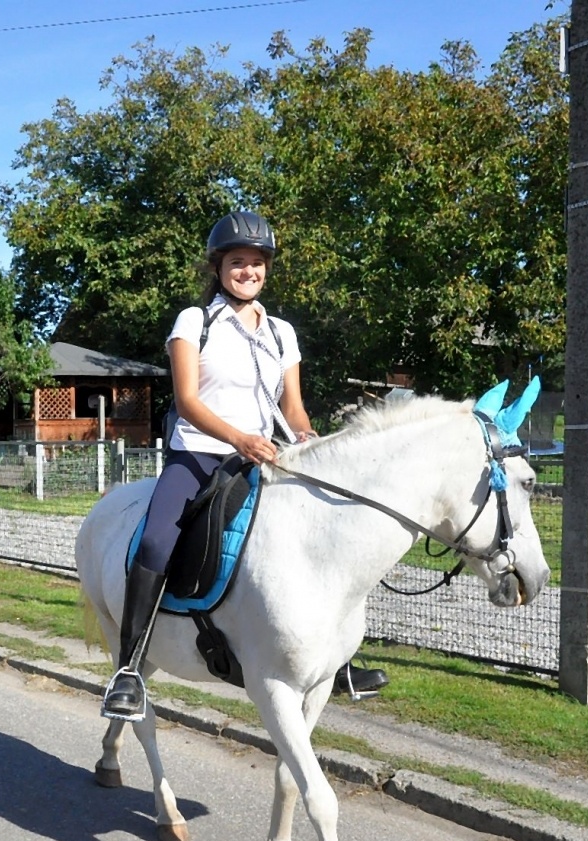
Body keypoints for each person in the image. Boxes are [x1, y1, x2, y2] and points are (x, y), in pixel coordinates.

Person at [101, 210, 384, 722]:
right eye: (237, 262)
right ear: (218, 267)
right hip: (199, 453)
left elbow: (292, 405)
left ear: (267, 269)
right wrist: (239, 439)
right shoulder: (196, 322)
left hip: (266, 454)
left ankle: (336, 660)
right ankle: (129, 669)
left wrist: (306, 436)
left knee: (324, 530)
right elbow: (187, 402)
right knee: (157, 541)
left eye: (257, 263)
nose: (248, 271)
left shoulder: (281, 332)